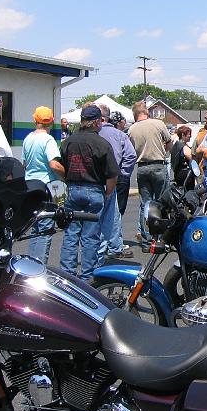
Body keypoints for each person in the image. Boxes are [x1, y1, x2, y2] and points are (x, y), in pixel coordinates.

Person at [59, 105, 119, 281]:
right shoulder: (102, 144)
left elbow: (58, 165)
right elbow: (112, 174)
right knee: (90, 236)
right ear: (96, 122)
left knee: (71, 234)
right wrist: (108, 193)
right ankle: (87, 276)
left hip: (72, 189)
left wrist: (67, 180)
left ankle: (67, 274)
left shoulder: (68, 142)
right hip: (94, 190)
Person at [22, 106, 66, 263]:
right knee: (46, 228)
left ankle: (31, 263)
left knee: (35, 227)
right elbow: (54, 164)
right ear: (51, 122)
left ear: (35, 119)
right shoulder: (48, 140)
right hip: (47, 186)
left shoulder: (28, 139)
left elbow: (24, 164)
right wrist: (65, 175)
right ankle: (40, 265)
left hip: (30, 185)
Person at [127, 100, 172, 248]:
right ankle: (160, 238)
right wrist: (162, 152)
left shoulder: (131, 129)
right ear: (146, 112)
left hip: (141, 167)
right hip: (158, 165)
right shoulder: (158, 124)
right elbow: (169, 142)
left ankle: (147, 240)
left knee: (145, 204)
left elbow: (131, 151)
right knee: (161, 202)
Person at [97, 103, 136, 260]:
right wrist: (123, 173)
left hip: (94, 180)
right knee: (113, 214)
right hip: (114, 177)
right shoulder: (119, 134)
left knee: (97, 215)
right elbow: (131, 155)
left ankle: (100, 248)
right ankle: (113, 246)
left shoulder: (92, 133)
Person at [109, 111, 132, 217]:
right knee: (119, 209)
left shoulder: (100, 133)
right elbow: (131, 155)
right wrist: (124, 173)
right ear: (118, 122)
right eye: (124, 120)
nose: (125, 123)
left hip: (105, 175)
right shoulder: (122, 135)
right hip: (120, 175)